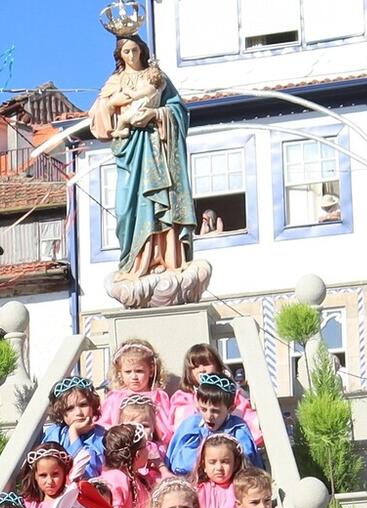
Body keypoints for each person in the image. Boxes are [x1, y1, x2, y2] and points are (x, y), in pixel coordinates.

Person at [86, 25, 192, 284]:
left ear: (142, 50)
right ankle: (134, 261)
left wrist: (155, 114)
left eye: (135, 50)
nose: (132, 55)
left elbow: (179, 111)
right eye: (126, 52)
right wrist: (111, 104)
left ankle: (167, 258)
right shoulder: (115, 82)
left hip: (157, 148)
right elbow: (97, 117)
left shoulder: (156, 77)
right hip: (129, 151)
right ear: (119, 55)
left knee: (161, 202)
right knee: (126, 208)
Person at [165, 373, 260, 477]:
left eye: (215, 411)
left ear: (230, 409)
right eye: (204, 409)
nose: (209, 416)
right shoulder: (191, 425)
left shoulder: (237, 429)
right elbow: (172, 456)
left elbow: (248, 462)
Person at [99, 338, 173, 447]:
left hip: (151, 446)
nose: (134, 376)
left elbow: (165, 431)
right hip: (121, 447)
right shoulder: (115, 398)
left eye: (139, 371)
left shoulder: (158, 397)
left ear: (151, 370)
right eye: (128, 372)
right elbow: (104, 425)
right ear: (120, 373)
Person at [173, 344, 255, 430]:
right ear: (188, 372)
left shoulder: (235, 395)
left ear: (217, 366)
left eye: (206, 364)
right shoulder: (183, 399)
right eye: (195, 367)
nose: (202, 370)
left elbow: (249, 421)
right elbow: (181, 428)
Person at [38, 377, 105, 476]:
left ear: (92, 405)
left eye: (83, 405)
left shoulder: (101, 436)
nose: (79, 413)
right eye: (70, 408)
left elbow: (87, 472)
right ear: (60, 412)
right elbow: (50, 468)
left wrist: (74, 435)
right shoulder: (55, 434)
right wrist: (73, 431)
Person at [17, 443, 72, 508]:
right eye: (43, 475)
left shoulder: (69, 502)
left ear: (64, 473)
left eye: (55, 474)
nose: (49, 481)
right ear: (35, 476)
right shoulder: (28, 505)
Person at [191, 434, 244, 508]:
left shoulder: (242, 489)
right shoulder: (198, 491)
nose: (219, 468)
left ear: (235, 464)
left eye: (225, 462)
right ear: (203, 465)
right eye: (212, 462)